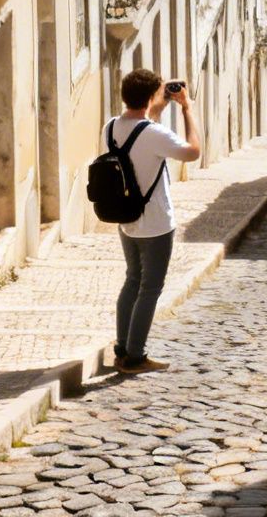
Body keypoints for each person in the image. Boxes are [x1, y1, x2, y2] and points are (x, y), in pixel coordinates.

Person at [105, 68, 201, 374]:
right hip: (156, 223)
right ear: (150, 97)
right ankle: (135, 357)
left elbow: (140, 132)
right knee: (150, 288)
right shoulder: (156, 134)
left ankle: (121, 349)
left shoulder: (110, 127)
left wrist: (154, 105)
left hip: (127, 220)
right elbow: (192, 152)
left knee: (132, 279)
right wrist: (187, 109)